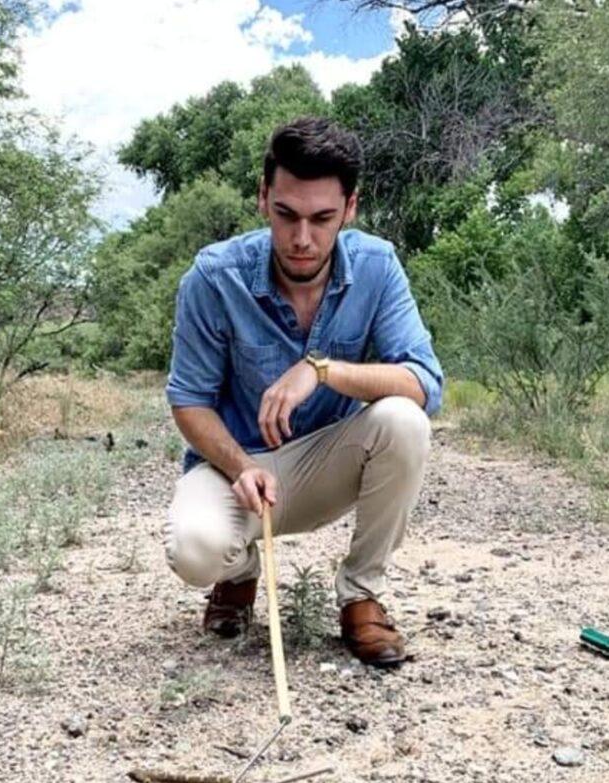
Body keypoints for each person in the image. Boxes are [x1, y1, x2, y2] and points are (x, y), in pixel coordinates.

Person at [163, 115, 443, 667]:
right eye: (286, 214)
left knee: (405, 420)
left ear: (351, 208)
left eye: (322, 218)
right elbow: (188, 400)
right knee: (195, 551)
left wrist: (321, 369)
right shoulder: (214, 276)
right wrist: (242, 466)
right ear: (264, 197)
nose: (302, 238)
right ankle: (237, 575)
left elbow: (425, 382)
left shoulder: (377, 266)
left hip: (324, 464)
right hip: (233, 469)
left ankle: (361, 595)